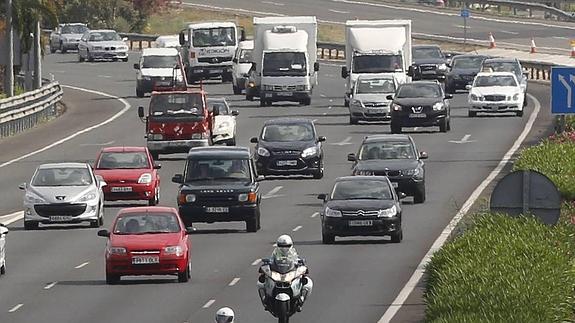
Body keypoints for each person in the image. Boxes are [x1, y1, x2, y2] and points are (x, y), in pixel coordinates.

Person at [257, 235, 313, 312]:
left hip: (289, 273)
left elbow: (298, 261)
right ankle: (265, 300)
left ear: (291, 245)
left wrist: (301, 265)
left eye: (287, 246)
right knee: (260, 284)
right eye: (282, 246)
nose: (284, 248)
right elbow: (271, 261)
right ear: (278, 245)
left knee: (308, 283)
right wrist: (267, 265)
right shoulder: (275, 254)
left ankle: (301, 299)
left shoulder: (293, 253)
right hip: (278, 273)